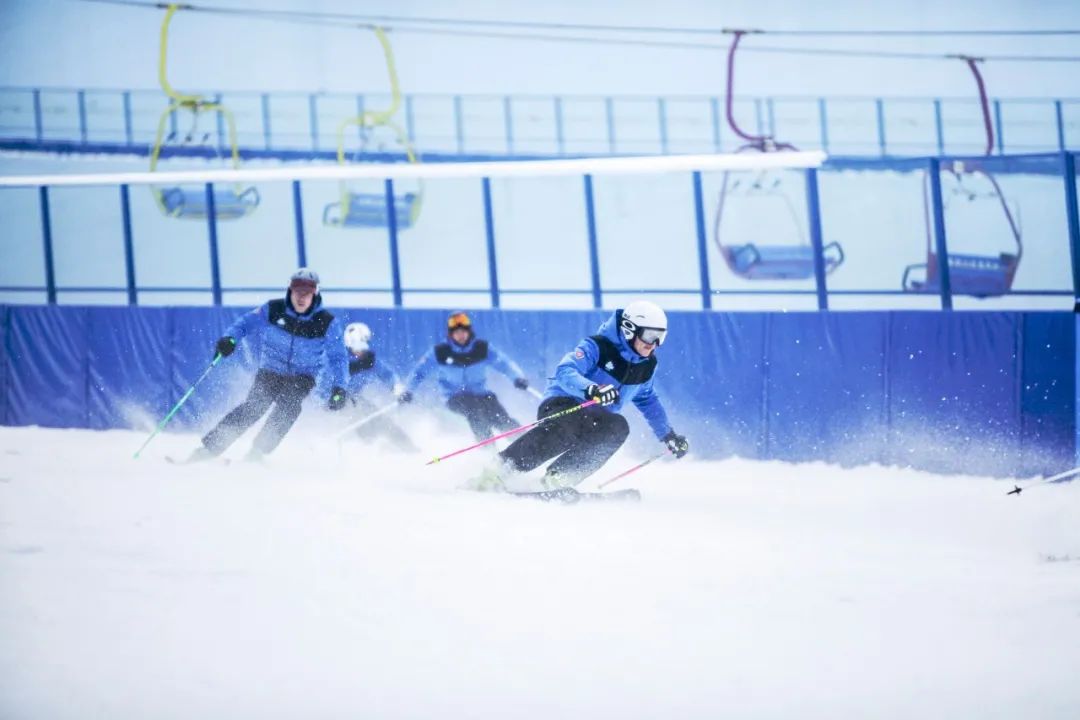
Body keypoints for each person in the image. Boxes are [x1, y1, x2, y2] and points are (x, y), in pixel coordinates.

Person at [474, 300, 689, 491]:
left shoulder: (646, 365)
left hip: (597, 416)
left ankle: (560, 477)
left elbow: (647, 400)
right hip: (564, 403)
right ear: (629, 329)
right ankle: (502, 468)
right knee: (568, 426)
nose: (653, 344)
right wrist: (591, 389)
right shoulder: (598, 346)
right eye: (649, 335)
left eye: (660, 337)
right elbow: (566, 370)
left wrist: (668, 435)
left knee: (618, 427)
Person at [185, 268, 349, 462]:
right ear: (290, 290)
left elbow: (338, 357)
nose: (301, 298)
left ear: (316, 293)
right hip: (271, 369)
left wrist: (340, 388)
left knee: (289, 406)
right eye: (298, 292)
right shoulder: (273, 309)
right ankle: (209, 450)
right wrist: (230, 339)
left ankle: (257, 453)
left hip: (303, 376)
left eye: (307, 293)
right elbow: (244, 324)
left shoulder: (327, 322)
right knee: (254, 406)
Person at [398, 311, 531, 442]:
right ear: (451, 335)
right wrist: (408, 391)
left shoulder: (481, 348)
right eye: (456, 333)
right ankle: (489, 450)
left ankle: (525, 444)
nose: (460, 335)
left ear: (469, 332)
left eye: (463, 332)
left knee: (500, 416)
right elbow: (419, 372)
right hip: (454, 396)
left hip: (481, 394)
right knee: (475, 411)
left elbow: (503, 363)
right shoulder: (441, 352)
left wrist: (517, 378)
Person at [341, 321, 417, 453]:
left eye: (364, 347)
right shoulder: (339, 358)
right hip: (337, 401)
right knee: (359, 419)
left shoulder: (368, 360)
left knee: (381, 421)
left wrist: (399, 390)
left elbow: (387, 375)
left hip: (355, 400)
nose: (361, 351)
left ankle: (410, 450)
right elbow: (325, 380)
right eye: (358, 346)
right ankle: (367, 449)